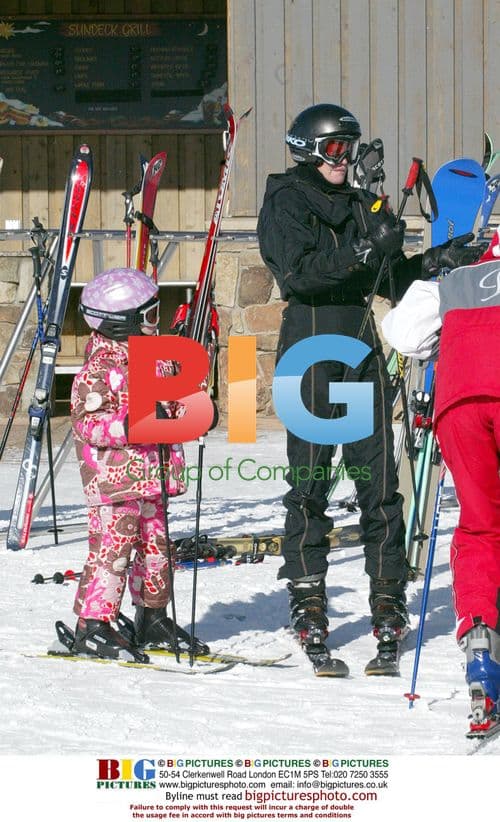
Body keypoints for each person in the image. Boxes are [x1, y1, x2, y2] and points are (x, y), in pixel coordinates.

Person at [256, 103, 482, 670]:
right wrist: (365, 247)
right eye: (334, 149)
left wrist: (437, 260)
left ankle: (387, 600)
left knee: (378, 479)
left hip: (357, 342)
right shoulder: (285, 199)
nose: (344, 160)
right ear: (308, 150)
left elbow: (389, 279)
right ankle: (308, 602)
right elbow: (300, 271)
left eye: (351, 149)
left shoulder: (359, 203)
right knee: (311, 479)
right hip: (310, 341)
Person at [382, 229, 500, 732]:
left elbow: (401, 333)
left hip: (459, 401)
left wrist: (440, 339)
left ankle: (480, 640)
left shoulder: (461, 271)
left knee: (480, 526)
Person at [68, 267, 206, 662]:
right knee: (113, 550)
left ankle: (153, 616)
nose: (155, 323)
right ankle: (93, 624)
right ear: (119, 322)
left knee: (156, 549)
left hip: (153, 477)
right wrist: (126, 424)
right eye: (148, 316)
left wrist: (192, 410)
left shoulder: (156, 358)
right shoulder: (98, 369)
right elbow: (87, 422)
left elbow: (174, 400)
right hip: (115, 480)